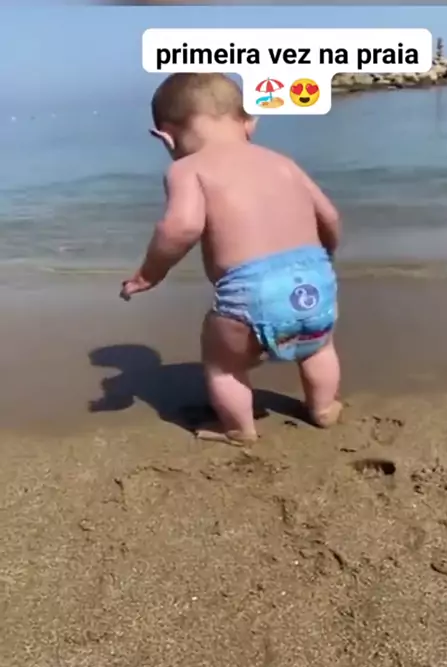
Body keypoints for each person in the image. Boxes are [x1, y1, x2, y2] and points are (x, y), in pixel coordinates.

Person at [121, 72, 342, 445]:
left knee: (224, 365)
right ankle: (322, 407)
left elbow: (181, 228)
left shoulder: (187, 168)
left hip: (251, 292)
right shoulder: (282, 162)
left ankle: (239, 427)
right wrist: (327, 254)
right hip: (315, 280)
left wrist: (148, 275)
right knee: (319, 348)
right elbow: (330, 216)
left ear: (166, 137)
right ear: (250, 122)